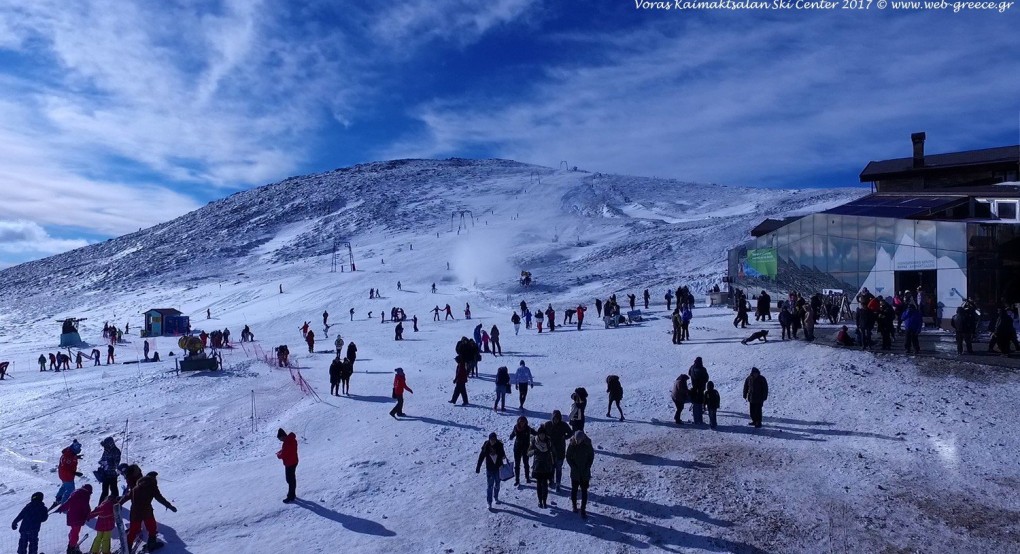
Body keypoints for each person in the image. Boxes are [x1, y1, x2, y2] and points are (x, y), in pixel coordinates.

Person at [121, 472, 176, 551]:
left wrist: (119, 503)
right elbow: (160, 498)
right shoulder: (152, 487)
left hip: (135, 512)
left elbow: (126, 496)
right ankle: (151, 544)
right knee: (152, 527)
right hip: (147, 511)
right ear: (153, 479)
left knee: (133, 530)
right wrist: (169, 506)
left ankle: (128, 547)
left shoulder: (136, 487)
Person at [565, 430, 594, 518]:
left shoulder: (587, 444)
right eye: (576, 440)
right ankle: (574, 505)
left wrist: (588, 466)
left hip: (584, 472)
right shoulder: (572, 444)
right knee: (574, 490)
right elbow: (568, 456)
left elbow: (591, 456)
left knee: (584, 491)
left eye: (579, 440)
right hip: (575, 472)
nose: (577, 442)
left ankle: (583, 508)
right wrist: (573, 466)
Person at [475, 432, 507, 509]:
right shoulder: (486, 446)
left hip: (498, 468)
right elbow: (481, 457)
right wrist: (478, 467)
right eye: (491, 439)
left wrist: (501, 455)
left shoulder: (499, 445)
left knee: (497, 484)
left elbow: (503, 455)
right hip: (489, 469)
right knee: (490, 486)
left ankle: (496, 497)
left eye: (494, 439)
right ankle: (489, 502)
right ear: (489, 439)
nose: (493, 441)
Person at [58, 483, 92, 554]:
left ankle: (71, 543)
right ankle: (72, 548)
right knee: (75, 533)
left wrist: (61, 508)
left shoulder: (75, 492)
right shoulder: (85, 495)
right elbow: (86, 507)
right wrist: (87, 515)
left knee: (73, 530)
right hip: (79, 517)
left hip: (71, 516)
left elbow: (68, 502)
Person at [51, 440, 83, 511]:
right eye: (78, 450)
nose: (79, 451)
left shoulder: (69, 452)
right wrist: (75, 473)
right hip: (67, 476)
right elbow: (66, 468)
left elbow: (70, 458)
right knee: (70, 490)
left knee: (65, 486)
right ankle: (64, 504)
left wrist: (76, 457)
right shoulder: (68, 457)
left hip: (63, 475)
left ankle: (59, 497)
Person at [528, 425, 555, 508]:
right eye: (540, 434)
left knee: (545, 485)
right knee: (539, 485)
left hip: (546, 466)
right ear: (538, 434)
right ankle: (540, 501)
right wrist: (534, 451)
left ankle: (544, 501)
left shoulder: (549, 442)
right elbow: (528, 453)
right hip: (538, 466)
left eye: (543, 434)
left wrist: (553, 462)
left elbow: (553, 453)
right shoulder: (534, 441)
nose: (542, 436)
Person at [88, 490, 118, 554]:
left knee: (98, 538)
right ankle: (105, 551)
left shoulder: (103, 504)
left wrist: (89, 516)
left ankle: (95, 551)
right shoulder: (114, 505)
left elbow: (96, 511)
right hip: (108, 526)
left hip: (100, 525)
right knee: (106, 539)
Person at [509, 416, 536, 486]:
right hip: (517, 448)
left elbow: (535, 432)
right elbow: (513, 434)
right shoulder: (516, 428)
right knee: (517, 464)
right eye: (520, 422)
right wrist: (511, 437)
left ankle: (527, 478)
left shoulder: (528, 429)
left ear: (525, 422)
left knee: (526, 463)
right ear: (518, 422)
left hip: (525, 448)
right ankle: (517, 480)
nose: (522, 424)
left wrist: (541, 432)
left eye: (523, 422)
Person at [276, 428, 298, 503]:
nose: (280, 440)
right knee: (292, 479)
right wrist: (281, 451)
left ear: (283, 436)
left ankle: (291, 497)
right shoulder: (290, 440)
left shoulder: (287, 442)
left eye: (280, 438)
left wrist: (279, 455)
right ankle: (293, 494)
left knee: (290, 480)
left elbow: (284, 454)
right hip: (294, 461)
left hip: (290, 463)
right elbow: (286, 450)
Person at [96, 437, 120, 503]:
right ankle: (100, 506)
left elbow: (116, 464)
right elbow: (102, 458)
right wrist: (101, 462)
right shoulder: (105, 451)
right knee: (104, 492)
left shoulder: (116, 451)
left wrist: (108, 464)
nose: (105, 447)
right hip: (105, 474)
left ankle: (115, 504)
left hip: (112, 475)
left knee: (114, 491)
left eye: (106, 445)